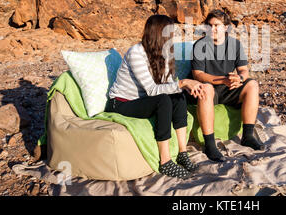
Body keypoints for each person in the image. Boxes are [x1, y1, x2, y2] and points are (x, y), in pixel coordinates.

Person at [106, 15, 206, 179]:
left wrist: (185, 87)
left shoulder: (164, 52)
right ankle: (165, 161)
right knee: (163, 100)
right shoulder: (136, 53)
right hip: (122, 103)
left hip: (143, 100)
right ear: (159, 34)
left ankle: (182, 152)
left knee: (177, 96)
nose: (173, 37)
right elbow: (152, 90)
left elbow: (167, 85)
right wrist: (183, 82)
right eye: (170, 33)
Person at [187, 10, 264, 162]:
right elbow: (198, 75)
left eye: (217, 25)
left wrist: (239, 78)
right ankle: (210, 144)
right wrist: (223, 80)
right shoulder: (200, 45)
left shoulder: (235, 44)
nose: (212, 29)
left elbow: (243, 70)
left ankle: (247, 136)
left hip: (228, 88)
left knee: (252, 85)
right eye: (209, 26)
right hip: (211, 89)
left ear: (226, 28)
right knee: (206, 88)